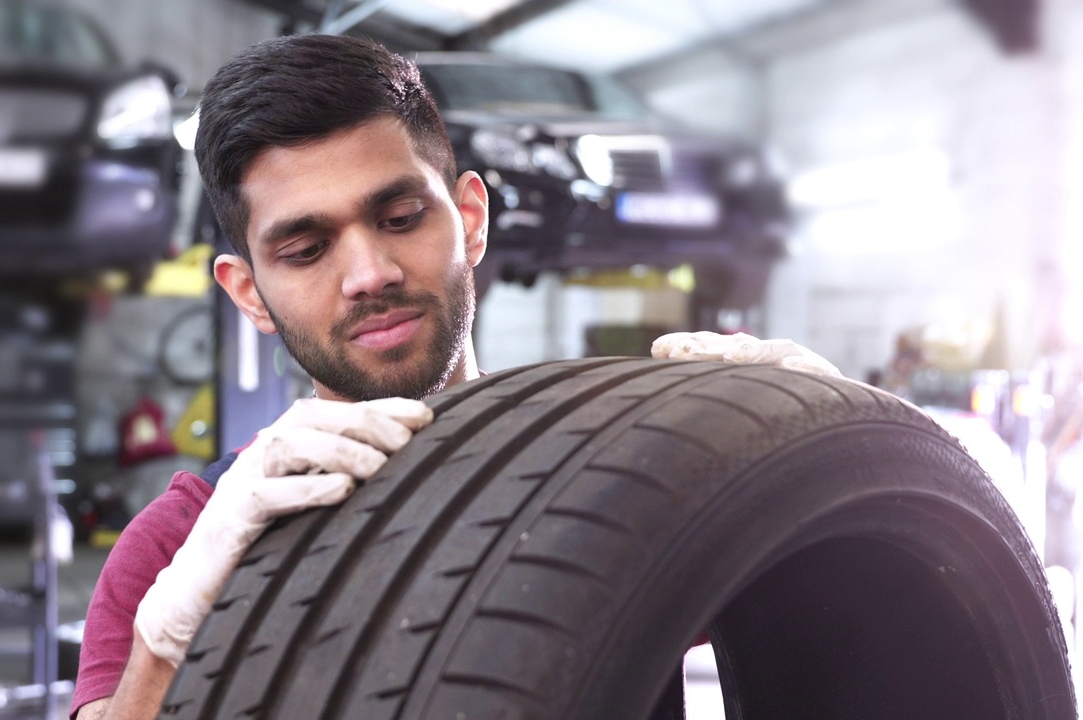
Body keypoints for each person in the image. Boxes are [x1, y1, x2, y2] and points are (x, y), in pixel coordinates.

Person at [70, 33, 839, 720]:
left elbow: (865, 645)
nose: (368, 274)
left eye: (401, 217)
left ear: (469, 220)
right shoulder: (179, 543)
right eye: (306, 250)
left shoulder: (618, 477)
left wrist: (828, 467)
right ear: (249, 293)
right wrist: (169, 642)